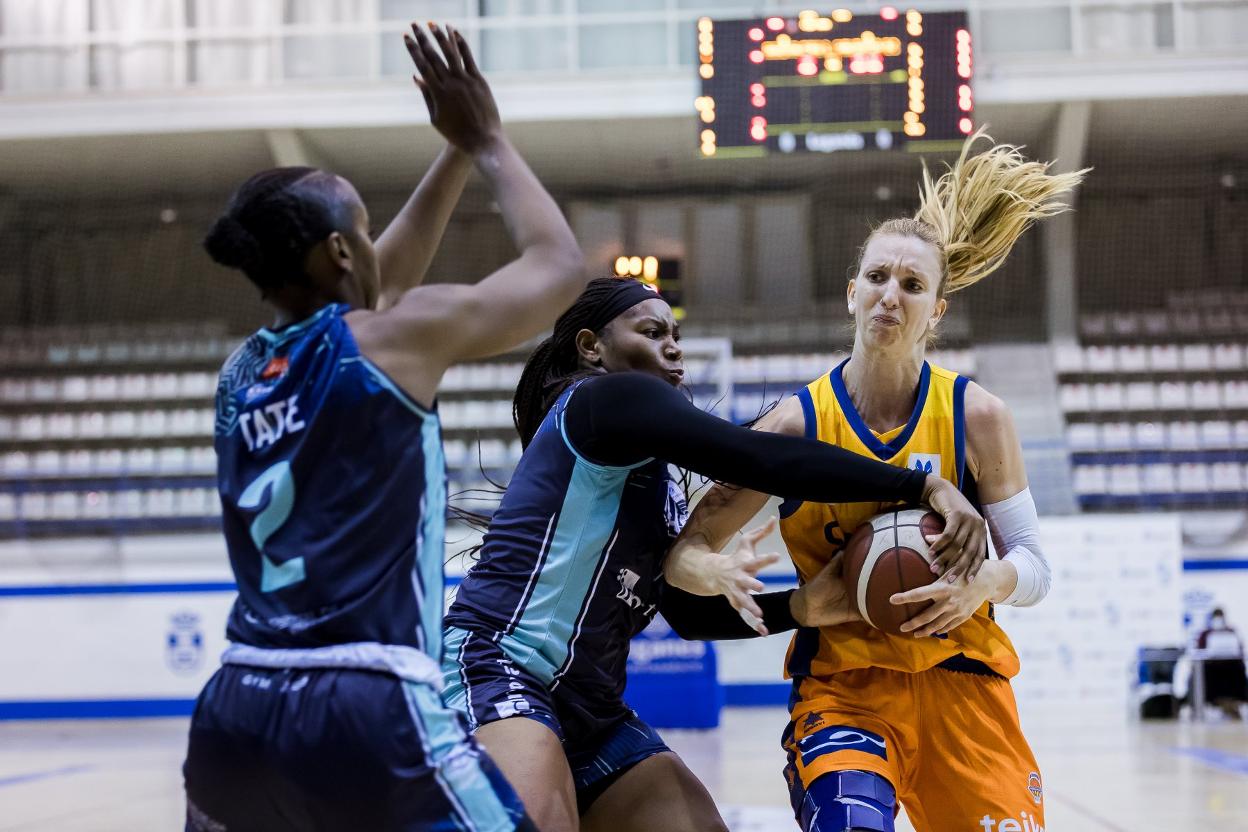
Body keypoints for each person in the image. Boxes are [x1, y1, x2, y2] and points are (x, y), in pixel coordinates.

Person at [182, 23, 586, 832]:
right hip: (364, 702)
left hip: (234, 709)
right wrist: (492, 141)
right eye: (364, 229)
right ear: (339, 250)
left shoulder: (239, 375)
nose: (377, 246)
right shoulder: (390, 341)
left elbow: (374, 284)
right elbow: (558, 270)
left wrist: (454, 151)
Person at [440, 277, 988, 832]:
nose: (674, 347)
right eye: (652, 332)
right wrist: (921, 487)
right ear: (592, 347)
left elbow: (683, 612)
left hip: (594, 709)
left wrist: (800, 608)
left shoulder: (659, 493)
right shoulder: (600, 400)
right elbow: (753, 456)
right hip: (500, 665)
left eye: (676, 334)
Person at [667, 131, 1086, 832]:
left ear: (937, 311)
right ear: (851, 294)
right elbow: (682, 556)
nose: (893, 295)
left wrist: (988, 583)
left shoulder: (977, 416)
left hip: (966, 687)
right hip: (845, 690)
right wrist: (717, 568)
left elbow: (1036, 566)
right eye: (879, 278)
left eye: (913, 285)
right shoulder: (794, 427)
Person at [1195, 608, 1247, 719]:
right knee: (1209, 673)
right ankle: (1218, 701)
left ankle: (1233, 700)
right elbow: (1199, 651)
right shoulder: (1205, 633)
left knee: (1239, 670)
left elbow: (1239, 649)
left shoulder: (1231, 631)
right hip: (1212, 666)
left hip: (1231, 666)